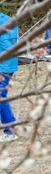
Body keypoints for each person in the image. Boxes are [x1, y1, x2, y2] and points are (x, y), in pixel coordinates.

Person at [0, 12, 18, 142]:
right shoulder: (8, 19)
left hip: (4, 65)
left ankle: (10, 130)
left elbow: (6, 46)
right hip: (9, 64)